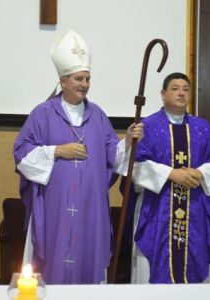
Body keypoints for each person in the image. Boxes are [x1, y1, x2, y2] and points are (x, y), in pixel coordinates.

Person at [14, 30, 142, 284]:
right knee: (53, 259)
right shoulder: (42, 113)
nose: (84, 84)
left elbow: (112, 158)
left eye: (87, 79)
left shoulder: (98, 115)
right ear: (62, 81)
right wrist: (57, 151)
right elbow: (22, 154)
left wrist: (127, 141)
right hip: (54, 206)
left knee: (89, 259)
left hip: (89, 207)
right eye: (78, 79)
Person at [125, 72, 210, 283]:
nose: (181, 93)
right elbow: (134, 166)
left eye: (185, 89)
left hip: (194, 212)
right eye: (175, 88)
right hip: (157, 211)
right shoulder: (147, 126)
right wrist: (171, 174)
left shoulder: (203, 128)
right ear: (163, 94)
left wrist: (201, 173)